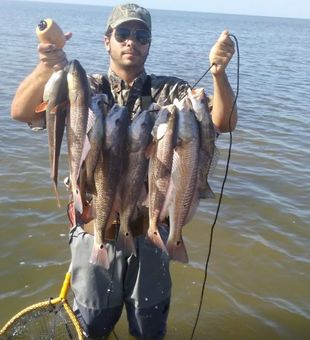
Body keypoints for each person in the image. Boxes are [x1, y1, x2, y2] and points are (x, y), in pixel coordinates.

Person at [11, 3, 237, 339]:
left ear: (149, 44)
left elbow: (222, 122)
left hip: (150, 232)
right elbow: (21, 112)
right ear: (107, 41)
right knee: (92, 323)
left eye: (141, 36)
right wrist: (47, 67)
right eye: (123, 33)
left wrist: (218, 74)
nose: (132, 41)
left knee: (149, 324)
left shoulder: (171, 92)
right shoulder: (86, 88)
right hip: (95, 229)